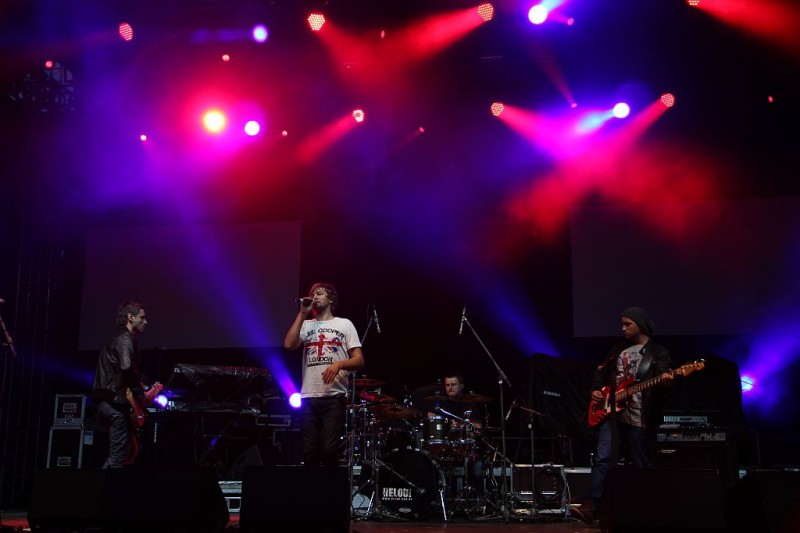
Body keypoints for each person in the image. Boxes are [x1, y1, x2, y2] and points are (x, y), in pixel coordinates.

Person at [571, 307, 673, 524]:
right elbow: (600, 371)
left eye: (628, 324)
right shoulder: (618, 349)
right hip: (613, 415)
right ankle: (592, 507)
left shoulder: (658, 352)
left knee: (641, 463)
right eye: (622, 324)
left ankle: (646, 510)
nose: (623, 328)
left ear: (640, 325)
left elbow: (663, 381)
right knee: (603, 458)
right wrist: (596, 390)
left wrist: (666, 381)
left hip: (640, 415)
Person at [283, 282, 365, 466]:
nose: (315, 296)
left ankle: (330, 483)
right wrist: (302, 313)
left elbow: (359, 360)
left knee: (329, 449)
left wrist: (339, 364)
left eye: (319, 293)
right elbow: (289, 345)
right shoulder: (307, 324)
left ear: (331, 299)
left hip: (333, 396)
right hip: (309, 395)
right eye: (313, 294)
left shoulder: (344, 324)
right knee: (309, 451)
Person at [90, 301, 160, 468]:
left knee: (130, 452)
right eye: (142, 317)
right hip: (114, 405)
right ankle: (104, 484)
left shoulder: (119, 338)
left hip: (109, 404)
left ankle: (113, 483)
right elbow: (127, 368)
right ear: (130, 317)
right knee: (117, 458)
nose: (145, 321)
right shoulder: (124, 338)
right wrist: (142, 397)